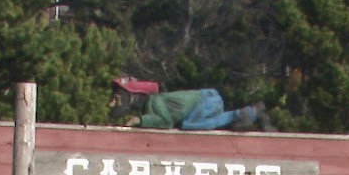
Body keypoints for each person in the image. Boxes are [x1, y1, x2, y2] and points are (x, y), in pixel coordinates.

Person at [112, 77, 273, 132]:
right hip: (208, 98)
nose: (116, 102)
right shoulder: (155, 103)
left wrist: (140, 121)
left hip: (206, 101)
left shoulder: (155, 102)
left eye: (119, 97)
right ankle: (251, 113)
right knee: (191, 121)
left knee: (188, 124)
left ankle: (241, 115)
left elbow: (166, 121)